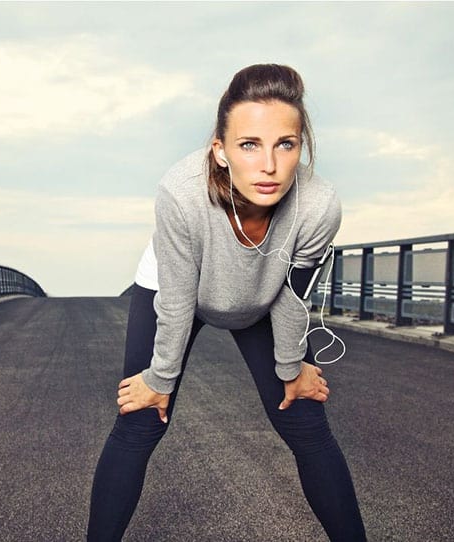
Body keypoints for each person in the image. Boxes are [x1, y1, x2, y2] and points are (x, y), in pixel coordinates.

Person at [87, 64, 367, 541]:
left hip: (263, 295)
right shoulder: (180, 193)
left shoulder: (319, 206)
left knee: (304, 421)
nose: (270, 166)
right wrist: (159, 379)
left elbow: (291, 297)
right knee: (140, 421)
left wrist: (289, 367)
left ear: (302, 147)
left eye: (286, 144)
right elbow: (176, 301)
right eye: (249, 144)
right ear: (220, 150)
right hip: (176, 289)